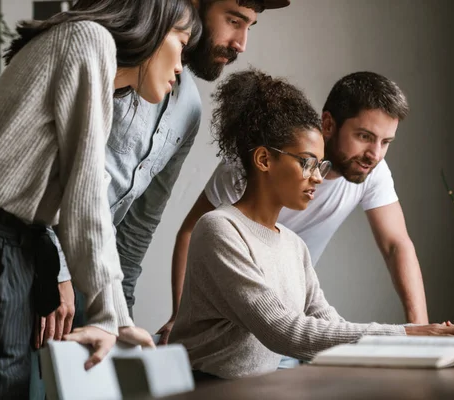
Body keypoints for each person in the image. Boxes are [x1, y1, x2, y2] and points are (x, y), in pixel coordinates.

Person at [0, 0, 200, 397]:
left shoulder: (93, 58)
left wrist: (117, 317)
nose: (181, 68)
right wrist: (111, 316)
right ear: (153, 27)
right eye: (181, 43)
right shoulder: (88, 40)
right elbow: (86, 195)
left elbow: (81, 199)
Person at [168, 69, 454, 380]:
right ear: (263, 160)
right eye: (307, 163)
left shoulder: (293, 245)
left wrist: (418, 341)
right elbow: (283, 330)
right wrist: (410, 334)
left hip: (261, 385)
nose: (317, 176)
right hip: (208, 388)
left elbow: (332, 328)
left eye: (320, 165)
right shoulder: (220, 228)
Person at [47, 0, 291, 346]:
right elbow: (53, 173)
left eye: (249, 26)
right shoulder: (107, 57)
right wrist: (55, 273)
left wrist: (120, 315)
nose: (241, 43)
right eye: (234, 21)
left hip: (94, 284)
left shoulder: (189, 108)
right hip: (34, 262)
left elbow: (137, 226)